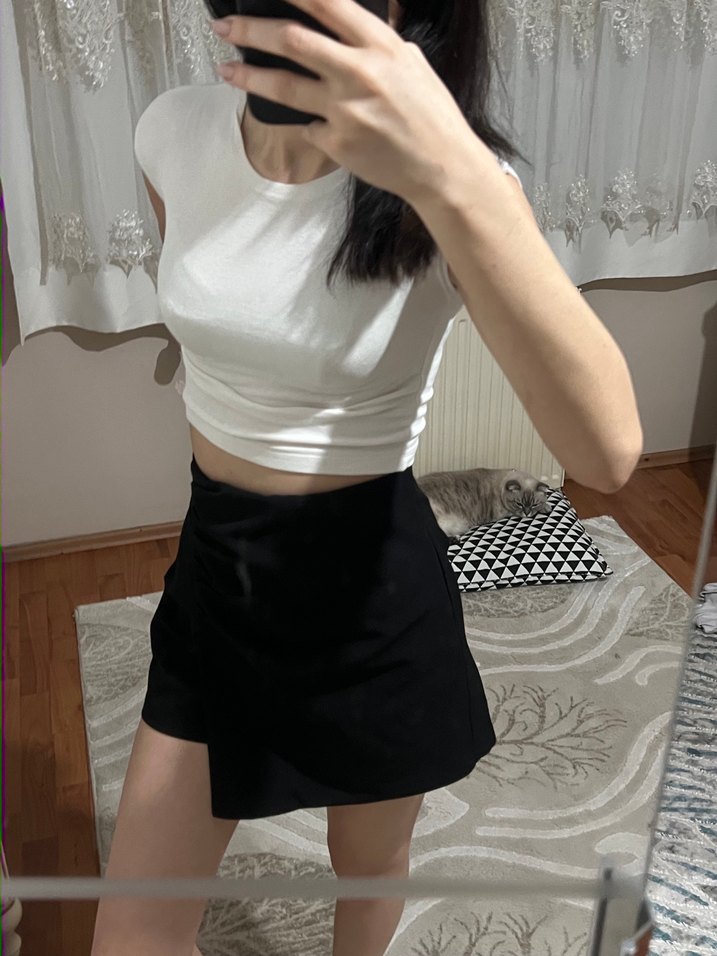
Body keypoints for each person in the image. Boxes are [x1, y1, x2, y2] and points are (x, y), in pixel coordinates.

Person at [91, 0, 642, 953]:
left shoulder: (454, 184)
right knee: (133, 927)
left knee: (370, 863)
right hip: (220, 572)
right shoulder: (171, 130)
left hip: (371, 591)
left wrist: (451, 173)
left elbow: (606, 454)